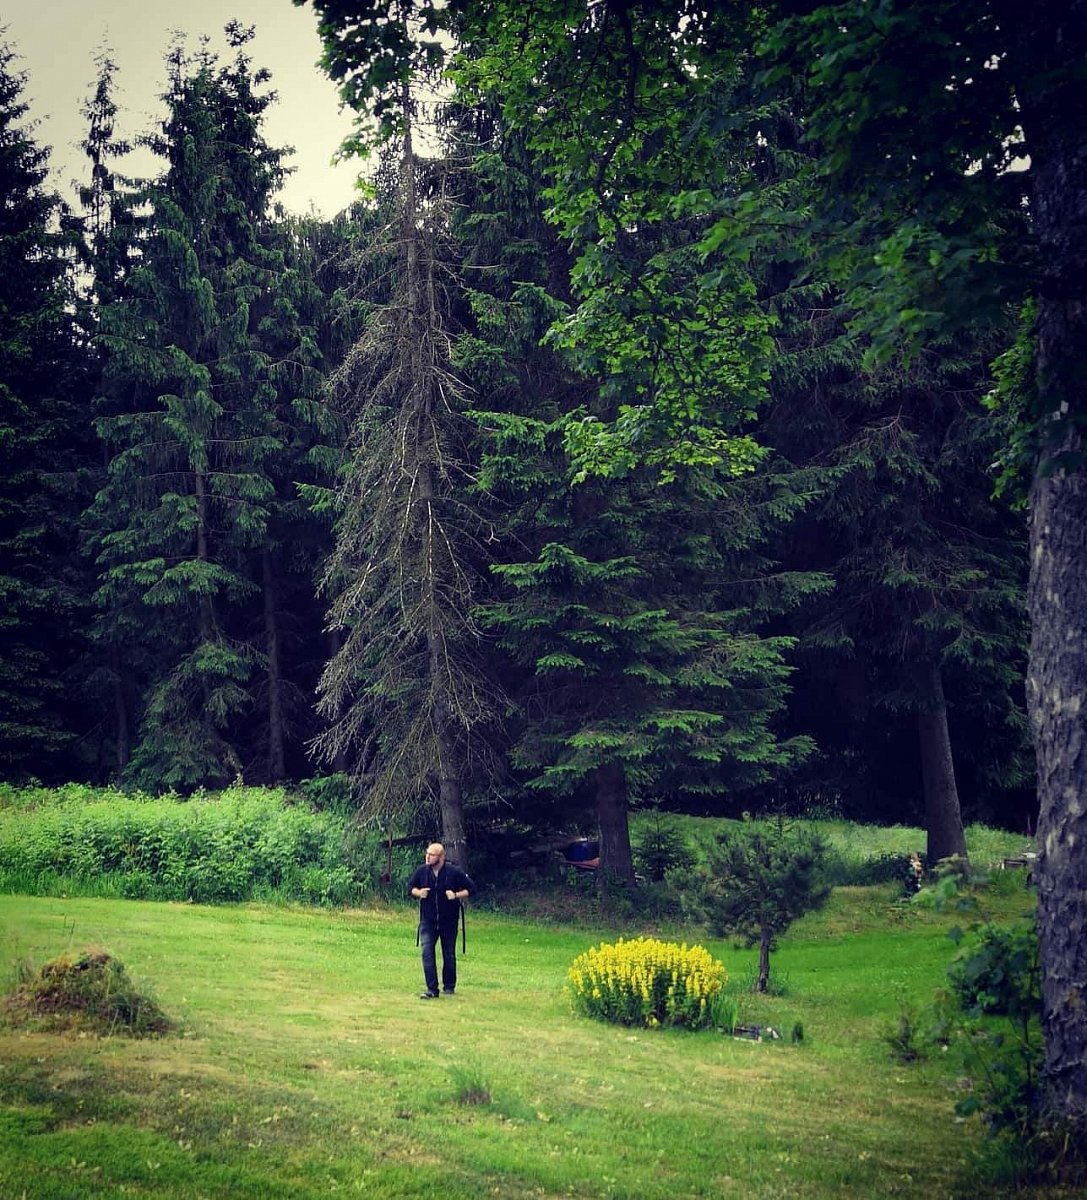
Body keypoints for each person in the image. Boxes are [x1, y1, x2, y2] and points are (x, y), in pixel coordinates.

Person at [407, 842, 475, 999]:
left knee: (448, 954)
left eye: (432, 855)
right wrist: (419, 893)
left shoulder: (454, 872)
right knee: (426, 952)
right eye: (427, 854)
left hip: (449, 921)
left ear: (441, 857)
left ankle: (449, 986)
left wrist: (456, 895)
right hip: (428, 921)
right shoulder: (422, 871)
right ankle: (432, 989)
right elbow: (410, 887)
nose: (428, 857)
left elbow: (472, 889)